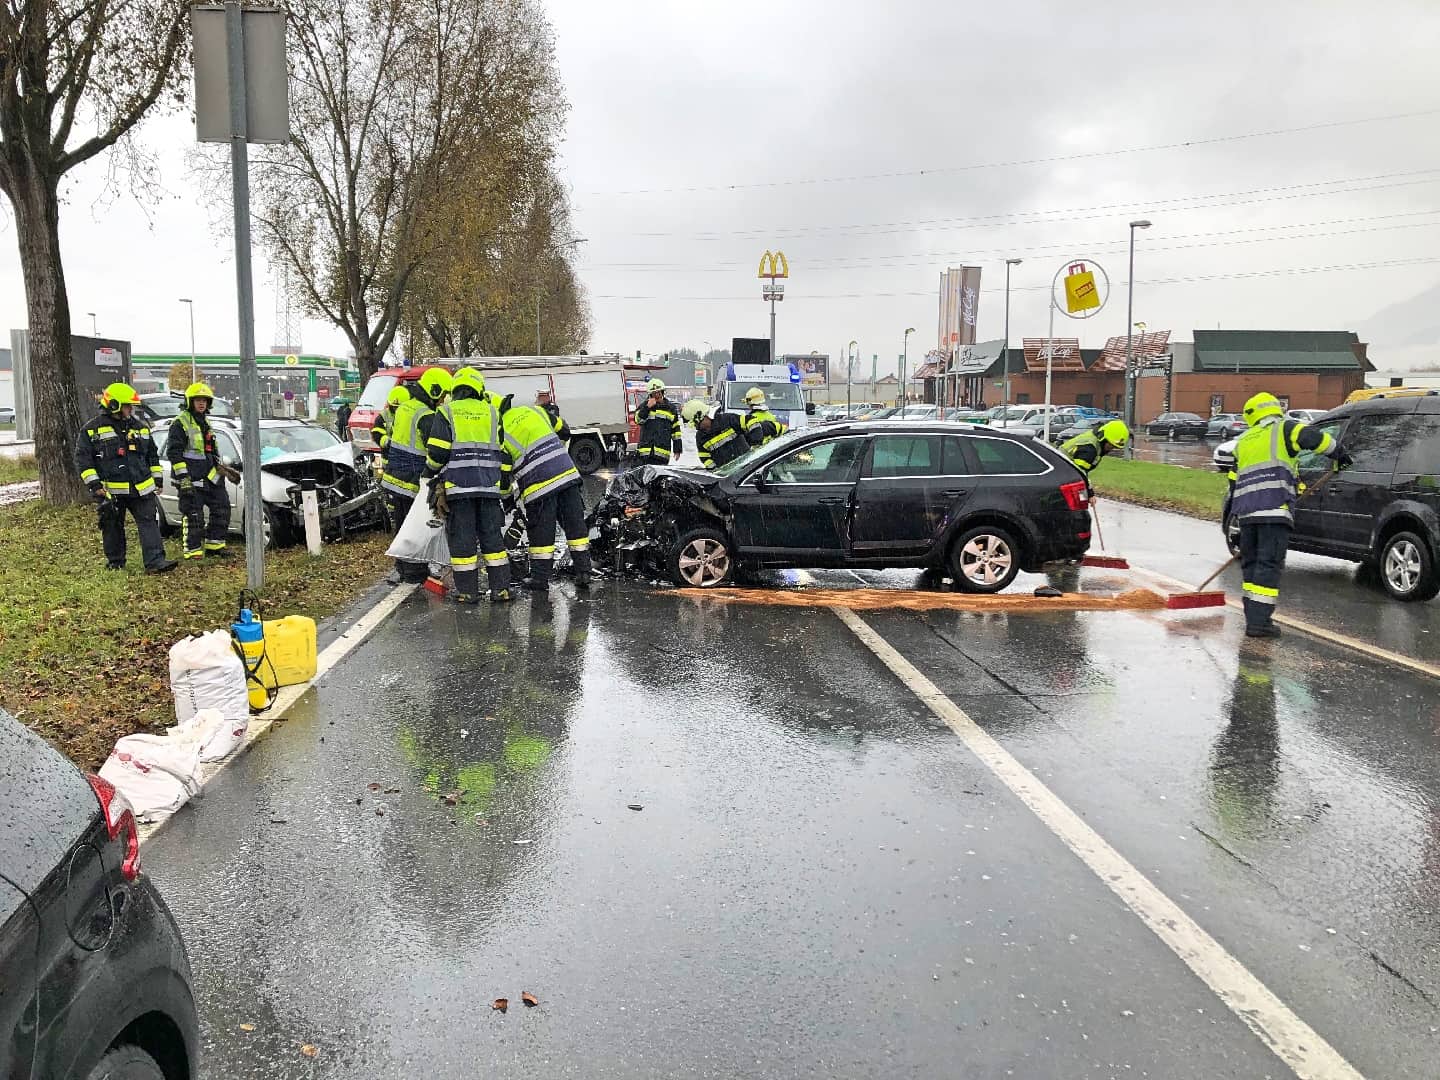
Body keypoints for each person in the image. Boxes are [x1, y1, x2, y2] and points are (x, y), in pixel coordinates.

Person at [1226, 392, 1350, 638]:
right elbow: (1315, 439)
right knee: (1268, 565)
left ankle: (1253, 617)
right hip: (1274, 512)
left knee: (1251, 565)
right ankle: (1259, 625)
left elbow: (1233, 482)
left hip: (1247, 515)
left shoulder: (1244, 440)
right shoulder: (1284, 429)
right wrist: (1340, 454)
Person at [424, 367, 511, 603]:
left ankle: (467, 592)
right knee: (493, 540)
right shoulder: (493, 413)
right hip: (489, 489)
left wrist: (429, 472)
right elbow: (501, 449)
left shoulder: (447, 412)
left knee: (463, 543)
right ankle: (501, 590)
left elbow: (437, 452)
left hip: (459, 489)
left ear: (456, 389)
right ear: (479, 389)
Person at [73, 382, 177, 573]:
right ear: (114, 405)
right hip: (111, 491)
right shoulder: (92, 430)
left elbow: (152, 455)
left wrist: (158, 479)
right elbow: (83, 461)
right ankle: (116, 563)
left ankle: (155, 562)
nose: (131, 410)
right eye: (128, 405)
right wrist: (95, 485)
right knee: (112, 527)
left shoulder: (140, 427)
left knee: (149, 523)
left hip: (141, 488)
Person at [500, 395, 592, 591]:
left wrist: (507, 500)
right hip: (567, 476)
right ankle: (584, 572)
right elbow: (565, 431)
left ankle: (540, 580)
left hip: (539, 487)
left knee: (542, 534)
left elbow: (504, 474)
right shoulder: (535, 411)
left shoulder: (500, 433)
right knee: (576, 528)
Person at [381, 368, 453, 583]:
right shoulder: (426, 415)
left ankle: (403, 567)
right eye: (442, 395)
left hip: (395, 476)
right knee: (416, 527)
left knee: (402, 524)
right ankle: (414, 572)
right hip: (414, 478)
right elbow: (436, 449)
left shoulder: (405, 407)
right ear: (434, 391)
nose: (442, 400)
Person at [165, 381, 235, 560]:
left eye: (204, 400)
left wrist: (222, 467)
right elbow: (174, 453)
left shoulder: (206, 422)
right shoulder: (180, 423)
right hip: (191, 478)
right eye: (198, 400)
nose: (201, 403)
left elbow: (209, 450)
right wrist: (184, 478)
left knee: (222, 508)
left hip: (211, 477)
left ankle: (215, 545)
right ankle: (193, 551)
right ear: (190, 401)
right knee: (194, 514)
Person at [681, 399, 747, 470]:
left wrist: (756, 444)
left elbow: (751, 422)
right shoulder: (700, 437)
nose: (696, 427)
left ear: (702, 417)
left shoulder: (728, 419)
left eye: (696, 424)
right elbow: (704, 457)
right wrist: (714, 470)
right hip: (728, 474)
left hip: (747, 468)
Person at [634, 378, 682, 464]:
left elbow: (676, 432)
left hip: (662, 453)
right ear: (650, 395)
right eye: (654, 393)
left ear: (663, 392)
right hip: (645, 453)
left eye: (659, 392)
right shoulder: (644, 406)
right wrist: (647, 408)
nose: (657, 395)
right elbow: (638, 420)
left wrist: (677, 450)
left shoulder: (670, 408)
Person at [1061, 419, 1129, 480]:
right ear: (1103, 439)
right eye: (1110, 445)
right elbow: (1078, 475)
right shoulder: (1089, 449)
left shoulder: (1095, 437)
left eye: (1114, 447)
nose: (1111, 449)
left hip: (1062, 468)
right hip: (1060, 470)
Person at [373, 385, 408, 456]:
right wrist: (389, 442)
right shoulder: (383, 416)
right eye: (394, 407)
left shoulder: (410, 415)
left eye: (399, 407)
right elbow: (377, 435)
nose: (396, 409)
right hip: (389, 457)